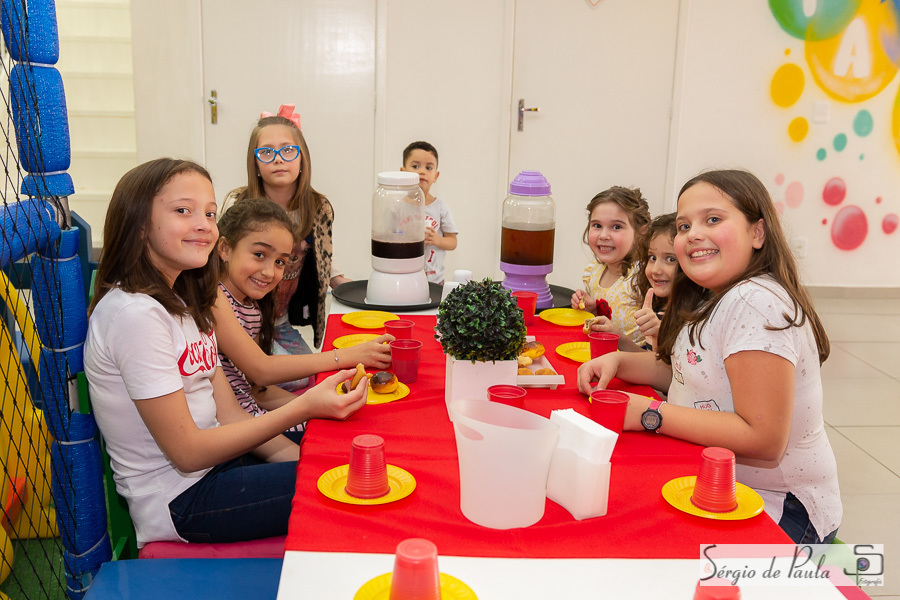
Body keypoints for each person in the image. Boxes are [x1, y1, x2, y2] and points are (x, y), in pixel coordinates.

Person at [84, 158, 368, 548]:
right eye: (184, 210)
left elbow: (231, 414)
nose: (203, 223)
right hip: (182, 500)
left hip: (220, 468)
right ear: (140, 223)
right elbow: (186, 453)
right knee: (352, 484)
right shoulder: (135, 316)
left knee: (345, 458)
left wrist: (301, 453)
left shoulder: (185, 301)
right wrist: (305, 408)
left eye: (210, 212)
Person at [576, 169, 841, 544]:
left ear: (757, 232)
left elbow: (763, 437)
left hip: (779, 510)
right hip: (719, 485)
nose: (693, 234)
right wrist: (619, 362)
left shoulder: (756, 302)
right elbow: (688, 374)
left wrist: (651, 414)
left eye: (712, 219)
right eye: (684, 226)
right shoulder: (714, 294)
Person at [214, 197, 392, 440]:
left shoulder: (252, 305)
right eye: (258, 254)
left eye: (280, 262)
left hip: (257, 418)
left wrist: (317, 408)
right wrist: (347, 356)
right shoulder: (216, 300)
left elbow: (258, 390)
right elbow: (261, 371)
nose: (269, 271)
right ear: (224, 249)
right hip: (242, 431)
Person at [222, 104, 349, 356]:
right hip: (241, 319)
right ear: (254, 162)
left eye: (288, 150)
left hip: (280, 322)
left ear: (303, 157)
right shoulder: (238, 203)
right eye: (266, 152)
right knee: (281, 375)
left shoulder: (317, 206)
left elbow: (322, 253)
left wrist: (340, 280)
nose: (278, 159)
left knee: (307, 374)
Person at [572, 186, 651, 350]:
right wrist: (592, 309)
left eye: (616, 227)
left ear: (640, 233)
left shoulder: (644, 275)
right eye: (597, 225)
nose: (603, 235)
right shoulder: (593, 272)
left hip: (635, 366)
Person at [400, 141, 458, 284]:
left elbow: (452, 242)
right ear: (403, 172)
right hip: (404, 278)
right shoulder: (397, 206)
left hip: (435, 280)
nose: (422, 171)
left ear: (436, 176)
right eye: (415, 166)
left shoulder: (440, 208)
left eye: (429, 167)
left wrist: (437, 240)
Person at [632, 212, 677, 350]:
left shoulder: (692, 319)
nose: (656, 270)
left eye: (670, 259)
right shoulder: (659, 307)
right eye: (652, 258)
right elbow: (648, 359)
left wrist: (659, 334)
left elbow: (665, 369)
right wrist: (617, 337)